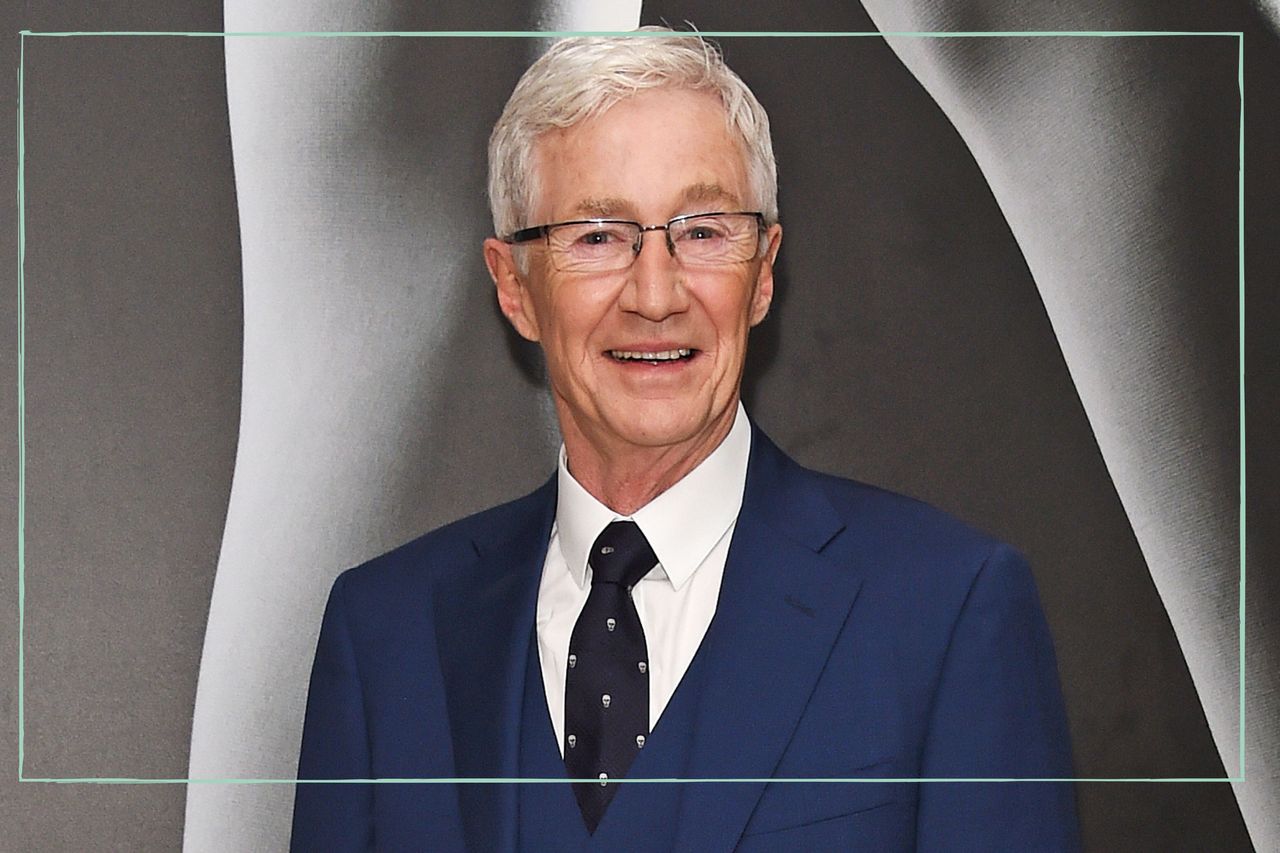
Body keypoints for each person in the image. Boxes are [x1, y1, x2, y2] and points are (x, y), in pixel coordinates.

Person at [291, 28, 1080, 851]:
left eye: (703, 232)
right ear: (514, 287)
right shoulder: (386, 632)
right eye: (597, 235)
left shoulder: (945, 609)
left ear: (764, 270)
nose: (657, 294)